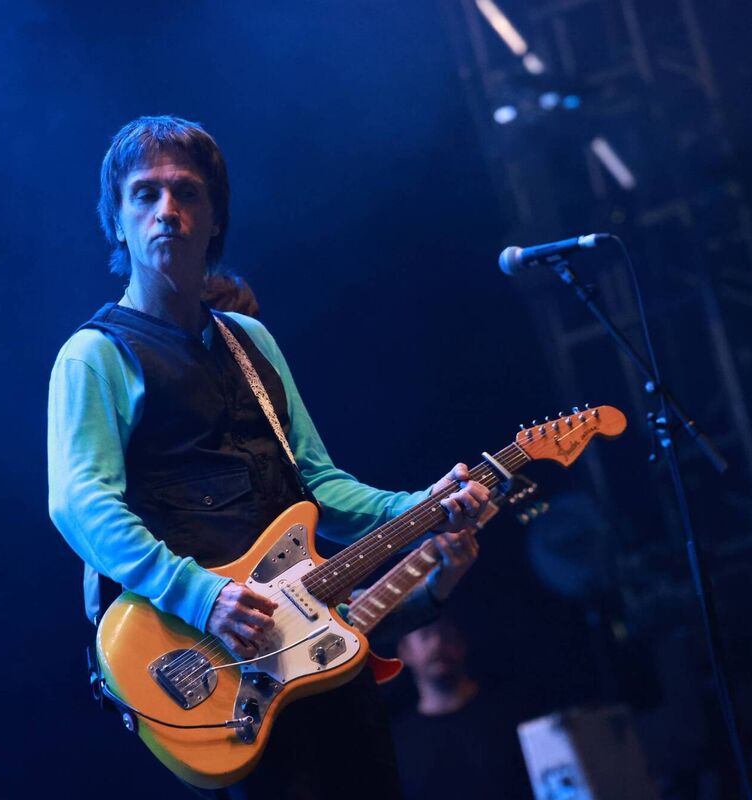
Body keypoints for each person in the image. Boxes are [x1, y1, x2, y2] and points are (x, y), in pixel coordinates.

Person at [47, 115, 489, 799]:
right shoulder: (94, 355)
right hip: (215, 667)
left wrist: (424, 505)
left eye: (187, 193)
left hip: (314, 649)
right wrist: (203, 595)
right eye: (145, 194)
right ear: (117, 220)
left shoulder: (251, 340)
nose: (167, 211)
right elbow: (80, 503)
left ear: (215, 217)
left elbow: (317, 484)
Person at [392, 616, 535, 800]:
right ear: (404, 651)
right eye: (425, 635)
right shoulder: (399, 744)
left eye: (445, 633)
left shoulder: (514, 714)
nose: (438, 643)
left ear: (461, 642)